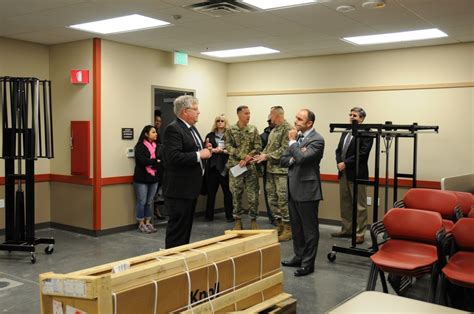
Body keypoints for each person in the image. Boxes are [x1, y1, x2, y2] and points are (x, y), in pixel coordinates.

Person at [162, 95, 211, 248]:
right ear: (184, 112)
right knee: (177, 230)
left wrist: (205, 149)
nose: (199, 112)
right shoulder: (173, 129)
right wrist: (199, 154)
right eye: (195, 109)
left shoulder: (191, 128)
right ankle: (172, 262)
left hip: (190, 188)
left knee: (186, 229)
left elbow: (190, 149)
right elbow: (173, 157)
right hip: (179, 190)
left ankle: (182, 259)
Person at [280, 109, 325, 277]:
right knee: (296, 228)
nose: (295, 121)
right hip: (293, 189)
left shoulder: (317, 140)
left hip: (307, 191)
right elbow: (284, 160)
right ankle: (298, 257)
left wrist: (293, 145)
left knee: (309, 230)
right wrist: (295, 154)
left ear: (309, 123)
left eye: (300, 119)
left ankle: (308, 264)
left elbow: (302, 158)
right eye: (296, 117)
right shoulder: (297, 138)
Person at [331, 107, 373, 244]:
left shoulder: (367, 133)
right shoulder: (346, 131)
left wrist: (346, 163)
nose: (351, 117)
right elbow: (338, 150)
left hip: (357, 174)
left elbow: (363, 153)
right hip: (343, 173)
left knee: (359, 205)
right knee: (346, 204)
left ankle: (360, 233)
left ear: (362, 118)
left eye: (354, 115)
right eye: (350, 114)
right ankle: (347, 229)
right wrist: (339, 162)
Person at [254, 106, 292, 241]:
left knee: (283, 200)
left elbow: (286, 149)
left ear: (276, 115)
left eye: (270, 114)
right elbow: (268, 148)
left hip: (281, 172)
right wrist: (261, 154)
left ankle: (288, 228)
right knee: (272, 199)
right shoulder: (274, 130)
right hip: (270, 170)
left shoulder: (288, 129)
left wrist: (267, 156)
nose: (269, 117)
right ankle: (280, 225)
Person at [225, 105, 262, 230]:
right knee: (236, 194)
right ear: (239, 115)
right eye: (246, 113)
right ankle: (237, 221)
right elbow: (228, 146)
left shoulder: (253, 129)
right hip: (236, 166)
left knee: (253, 195)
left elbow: (258, 146)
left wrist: (248, 157)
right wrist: (242, 156)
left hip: (250, 167)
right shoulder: (230, 129)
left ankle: (253, 220)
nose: (248, 116)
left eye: (249, 113)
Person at [204, 114, 234, 222]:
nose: (220, 122)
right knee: (211, 193)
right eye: (218, 121)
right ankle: (208, 216)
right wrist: (210, 149)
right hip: (212, 167)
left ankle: (229, 216)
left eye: (222, 121)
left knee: (227, 193)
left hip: (225, 167)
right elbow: (205, 150)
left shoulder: (230, 135)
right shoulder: (210, 135)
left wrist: (222, 151)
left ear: (226, 123)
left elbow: (233, 151)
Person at [133, 125, 161, 233]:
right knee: (142, 201)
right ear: (146, 134)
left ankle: (148, 222)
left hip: (153, 177)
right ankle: (141, 223)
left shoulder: (157, 146)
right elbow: (142, 161)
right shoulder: (140, 146)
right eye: (153, 132)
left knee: (150, 202)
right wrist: (155, 162)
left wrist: (155, 162)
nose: (156, 134)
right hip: (141, 178)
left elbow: (161, 160)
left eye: (156, 132)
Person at [260, 116, 277, 226]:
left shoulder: (284, 133)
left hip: (281, 169)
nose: (271, 122)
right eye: (269, 121)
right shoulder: (263, 136)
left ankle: (282, 218)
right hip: (268, 168)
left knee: (281, 196)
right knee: (269, 194)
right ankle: (273, 217)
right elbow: (260, 152)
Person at [153, 110, 165, 220]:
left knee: (159, 191)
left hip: (161, 167)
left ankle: (158, 211)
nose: (158, 123)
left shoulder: (160, 134)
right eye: (156, 121)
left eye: (159, 121)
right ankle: (155, 212)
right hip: (153, 168)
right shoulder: (151, 135)